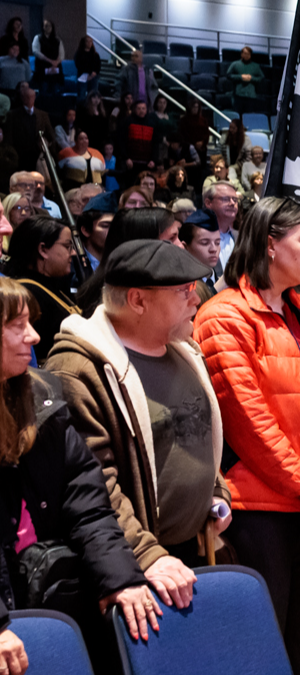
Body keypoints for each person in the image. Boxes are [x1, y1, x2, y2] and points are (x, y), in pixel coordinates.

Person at [195, 197, 300, 675]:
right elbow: (247, 419)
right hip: (257, 510)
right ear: (269, 244)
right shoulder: (224, 315)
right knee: (259, 653)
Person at [46, 240, 230, 608]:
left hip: (195, 548)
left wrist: (216, 492)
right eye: (184, 291)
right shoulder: (80, 369)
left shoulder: (183, 350)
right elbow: (95, 484)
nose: (196, 301)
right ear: (138, 300)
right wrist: (148, 554)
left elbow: (195, 433)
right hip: (136, 570)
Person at [0, 275, 164, 675]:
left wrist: (119, 580)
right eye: (17, 326)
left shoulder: (42, 398)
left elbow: (88, 505)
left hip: (54, 596)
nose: (34, 337)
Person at [7, 216, 78, 359]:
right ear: (43, 249)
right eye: (67, 246)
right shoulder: (27, 293)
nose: (73, 253)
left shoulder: (52, 284)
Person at [8, 83, 58, 173]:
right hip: (20, 157)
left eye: (32, 97)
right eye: (27, 97)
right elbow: (10, 137)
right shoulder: (13, 115)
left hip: (38, 156)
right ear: (22, 98)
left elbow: (51, 136)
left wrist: (49, 151)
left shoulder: (43, 115)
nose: (30, 99)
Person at [202, 179, 240, 276]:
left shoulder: (241, 237)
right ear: (208, 203)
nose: (232, 203)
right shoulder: (197, 239)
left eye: (235, 200)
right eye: (225, 199)